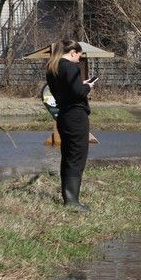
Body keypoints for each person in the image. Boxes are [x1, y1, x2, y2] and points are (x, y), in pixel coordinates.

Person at [45, 39, 94, 210]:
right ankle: (72, 202)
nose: (78, 61)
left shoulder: (52, 68)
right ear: (73, 52)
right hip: (76, 116)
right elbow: (78, 92)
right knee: (77, 157)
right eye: (78, 57)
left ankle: (69, 198)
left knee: (67, 156)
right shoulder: (70, 67)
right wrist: (88, 87)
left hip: (63, 115)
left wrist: (79, 86)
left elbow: (67, 91)